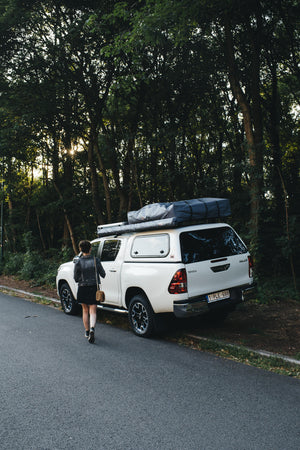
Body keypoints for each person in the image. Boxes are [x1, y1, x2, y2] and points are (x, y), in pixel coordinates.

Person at [74, 240, 106, 343]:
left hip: (83, 287)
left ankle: (87, 331)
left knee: (85, 310)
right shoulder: (96, 260)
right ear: (90, 248)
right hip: (93, 287)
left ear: (80, 249)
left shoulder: (78, 261)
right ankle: (92, 328)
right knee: (93, 311)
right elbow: (103, 274)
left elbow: (75, 278)